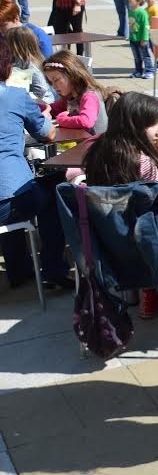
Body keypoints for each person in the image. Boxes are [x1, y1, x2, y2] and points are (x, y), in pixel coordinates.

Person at [83, 91, 158, 319]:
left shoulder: (96, 152)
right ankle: (149, 288)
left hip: (108, 237)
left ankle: (136, 289)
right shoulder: (143, 161)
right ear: (136, 126)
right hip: (144, 240)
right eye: (153, 124)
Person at [0, 32, 70, 290]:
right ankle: (54, 268)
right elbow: (47, 133)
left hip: (9, 195)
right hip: (11, 196)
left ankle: (18, 269)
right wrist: (46, 116)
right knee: (55, 190)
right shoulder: (16, 96)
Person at [42, 51, 109, 133]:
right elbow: (54, 109)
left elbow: (86, 121)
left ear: (72, 75)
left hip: (95, 140)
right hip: (80, 138)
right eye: (51, 82)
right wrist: (34, 108)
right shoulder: (71, 95)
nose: (54, 86)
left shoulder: (89, 95)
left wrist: (61, 119)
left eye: (56, 80)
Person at [6, 26, 51, 103]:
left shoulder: (31, 65)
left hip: (40, 104)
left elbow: (41, 91)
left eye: (7, 43)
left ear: (16, 46)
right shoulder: (16, 62)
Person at [127, 0, 153, 79]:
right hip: (133, 39)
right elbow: (131, 25)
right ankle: (138, 71)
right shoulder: (131, 11)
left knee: (145, 56)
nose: (129, 0)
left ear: (138, 1)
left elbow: (146, 26)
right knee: (137, 57)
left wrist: (144, 39)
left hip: (141, 39)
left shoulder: (142, 13)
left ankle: (149, 71)